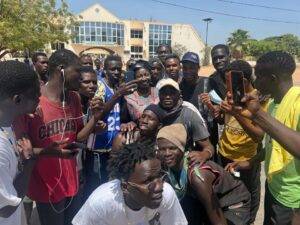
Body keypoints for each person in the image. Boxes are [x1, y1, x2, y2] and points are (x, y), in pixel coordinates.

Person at [13, 49, 103, 225]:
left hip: (72, 181)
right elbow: (20, 149)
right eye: (77, 71)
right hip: (47, 186)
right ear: (61, 69)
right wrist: (49, 152)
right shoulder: (33, 101)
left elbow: (78, 136)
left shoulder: (74, 99)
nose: (81, 76)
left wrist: (95, 120)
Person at [225, 51, 300, 225]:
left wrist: (257, 114)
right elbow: (274, 143)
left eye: (258, 77)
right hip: (275, 189)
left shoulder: (297, 102)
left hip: (293, 199)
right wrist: (251, 162)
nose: (255, 83)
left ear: (273, 79)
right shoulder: (275, 104)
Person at [0, 61, 77, 225]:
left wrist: (45, 152)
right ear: (17, 99)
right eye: (36, 95)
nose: (40, 99)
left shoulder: (8, 128)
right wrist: (29, 162)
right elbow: (6, 208)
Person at [72, 142, 188, 225]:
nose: (159, 187)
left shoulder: (166, 194)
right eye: (147, 182)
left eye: (160, 176)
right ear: (125, 187)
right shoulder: (101, 203)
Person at [157, 124, 251, 225]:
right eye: (162, 149)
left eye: (172, 148)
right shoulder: (167, 166)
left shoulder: (197, 177)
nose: (167, 153)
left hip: (231, 204)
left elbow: (219, 221)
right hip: (203, 200)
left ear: (182, 148)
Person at [216, 60, 267, 225]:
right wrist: (218, 111)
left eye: (229, 81)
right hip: (224, 153)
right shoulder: (231, 92)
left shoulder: (260, 100)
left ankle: (249, 221)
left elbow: (258, 136)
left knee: (248, 192)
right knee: (228, 190)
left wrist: (236, 113)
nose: (226, 86)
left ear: (243, 81)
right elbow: (226, 121)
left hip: (245, 160)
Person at [83, 55, 138, 197]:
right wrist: (118, 94)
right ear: (105, 70)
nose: (116, 72)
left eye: (119, 69)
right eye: (113, 69)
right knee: (96, 191)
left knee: (111, 189)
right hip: (98, 150)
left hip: (111, 150)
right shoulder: (100, 86)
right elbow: (99, 114)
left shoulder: (117, 87)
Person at [157, 78, 214, 166]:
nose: (167, 97)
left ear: (179, 94)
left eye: (172, 93)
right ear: (159, 95)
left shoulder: (189, 114)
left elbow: (209, 146)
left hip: (184, 164)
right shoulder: (154, 114)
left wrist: (204, 154)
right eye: (164, 93)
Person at [121, 60, 159, 129]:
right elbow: (125, 122)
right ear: (135, 79)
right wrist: (129, 123)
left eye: (146, 75)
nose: (144, 78)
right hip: (139, 134)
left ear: (150, 75)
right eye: (139, 76)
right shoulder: (128, 99)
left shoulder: (159, 93)